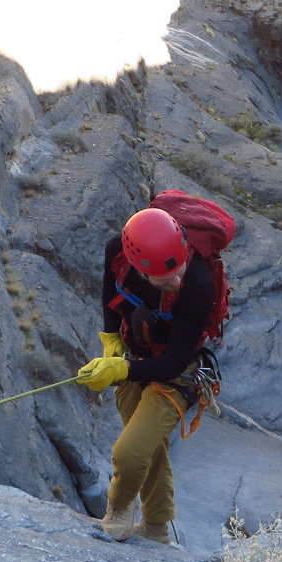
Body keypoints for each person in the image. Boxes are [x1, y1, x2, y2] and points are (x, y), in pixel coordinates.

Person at [76, 207, 217, 543]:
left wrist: (122, 369)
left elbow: (174, 361)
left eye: (179, 268)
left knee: (130, 452)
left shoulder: (199, 283)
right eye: (165, 278)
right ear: (140, 269)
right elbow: (111, 295)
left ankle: (118, 509)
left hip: (179, 371)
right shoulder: (117, 253)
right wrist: (111, 341)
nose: (176, 280)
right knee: (147, 447)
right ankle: (156, 527)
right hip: (136, 354)